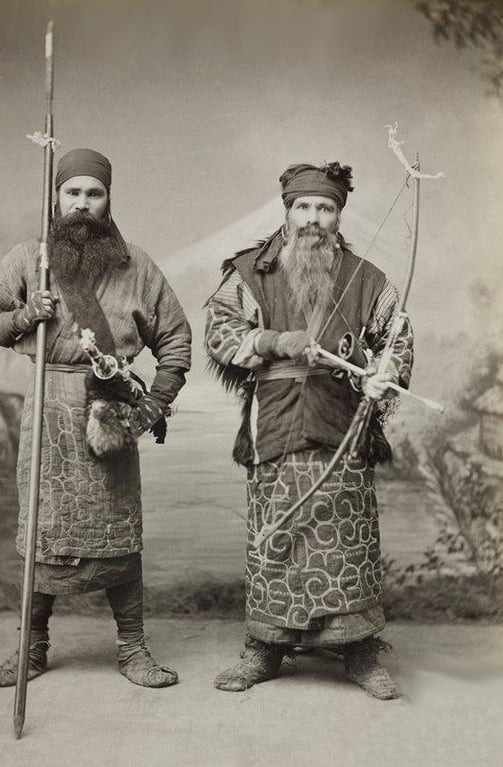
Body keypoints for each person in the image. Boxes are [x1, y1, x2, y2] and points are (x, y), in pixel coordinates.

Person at [0, 148, 191, 689]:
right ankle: (32, 650)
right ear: (57, 198)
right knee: (43, 528)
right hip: (47, 410)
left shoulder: (136, 265)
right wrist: (26, 315)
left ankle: (133, 649)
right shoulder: (30, 259)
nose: (83, 204)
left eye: (95, 193)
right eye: (73, 192)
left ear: (109, 200)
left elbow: (177, 340)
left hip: (108, 412)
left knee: (118, 531)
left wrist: (151, 407)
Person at [204, 162, 413, 699]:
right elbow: (219, 334)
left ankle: (359, 652)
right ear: (288, 211)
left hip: (343, 422)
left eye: (325, 208)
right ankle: (265, 648)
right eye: (304, 207)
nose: (313, 218)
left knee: (347, 539)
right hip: (275, 421)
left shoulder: (368, 278)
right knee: (275, 535)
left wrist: (382, 375)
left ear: (338, 215)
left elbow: (397, 340)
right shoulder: (251, 272)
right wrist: (275, 341)